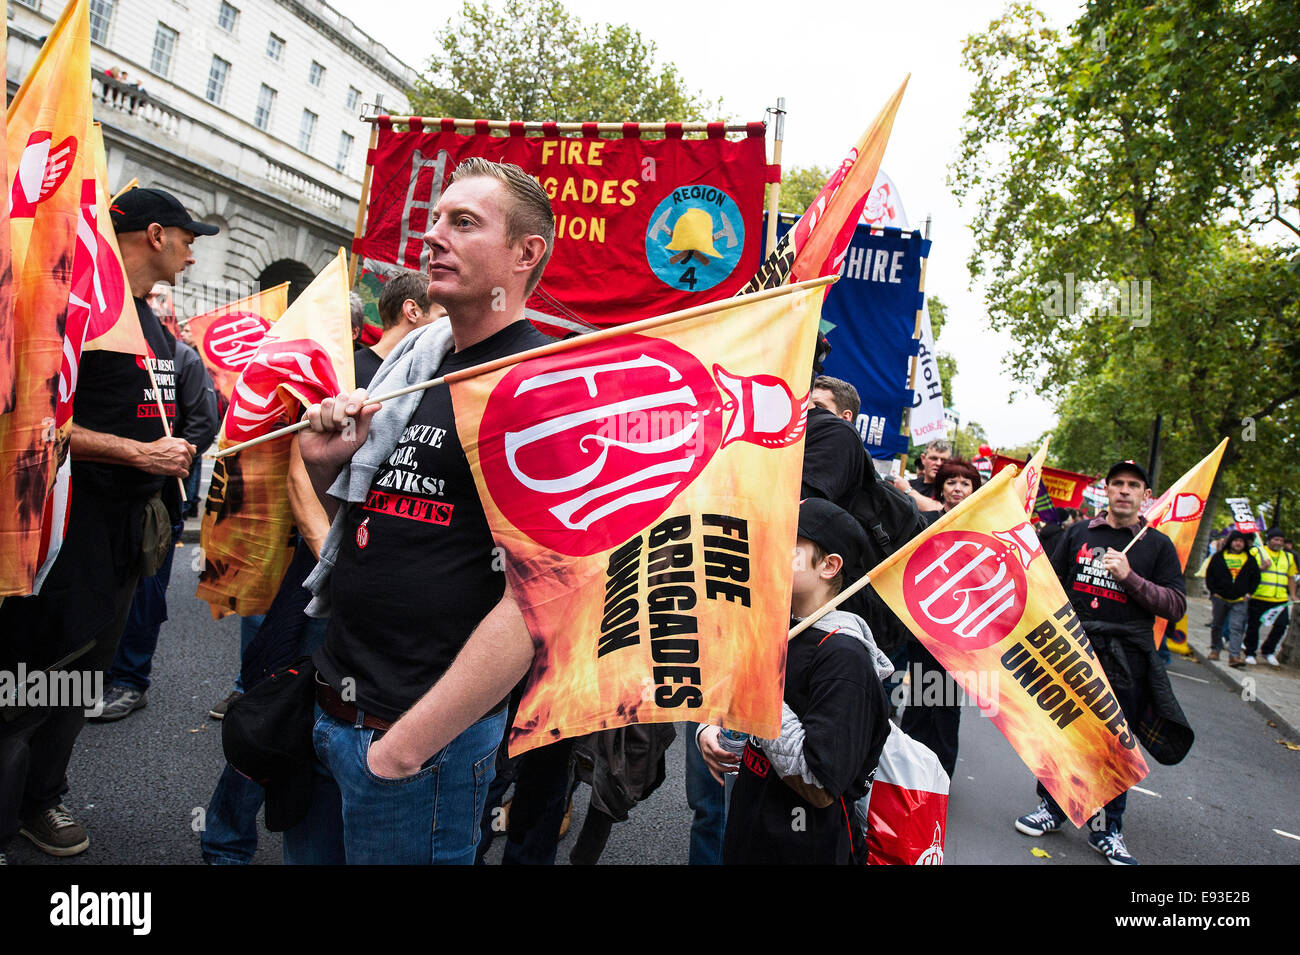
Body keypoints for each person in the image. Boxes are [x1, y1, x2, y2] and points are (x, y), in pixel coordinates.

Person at [284, 158, 554, 864]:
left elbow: (541, 598)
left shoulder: (540, 387)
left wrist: (404, 749)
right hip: (334, 708)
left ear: (526, 254)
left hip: (417, 747)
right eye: (435, 219)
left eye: (463, 223)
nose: (434, 236)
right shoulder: (420, 363)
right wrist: (323, 459)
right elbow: (372, 518)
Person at [0, 188, 214, 859]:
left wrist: (175, 443)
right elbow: (38, 423)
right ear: (155, 234)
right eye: (187, 235)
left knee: (84, 673)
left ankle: (42, 797)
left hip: (129, 536)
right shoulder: (80, 309)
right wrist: (136, 451)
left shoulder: (152, 324)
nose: (193, 248)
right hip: (68, 531)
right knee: (32, 676)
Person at [1014, 460, 1188, 866]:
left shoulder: (1157, 545)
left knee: (1114, 744)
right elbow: (1048, 584)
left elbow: (1176, 606)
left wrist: (1130, 577)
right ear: (1106, 491)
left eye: (1134, 486)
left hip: (1127, 659)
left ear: (1147, 496)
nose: (1124, 491)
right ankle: (1052, 808)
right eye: (1118, 484)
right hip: (1075, 649)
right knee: (1065, 733)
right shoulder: (1078, 534)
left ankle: (1109, 829)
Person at [706, 498, 891, 864]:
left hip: (803, 849)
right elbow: (740, 704)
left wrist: (760, 694)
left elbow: (820, 783)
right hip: (751, 835)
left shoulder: (844, 658)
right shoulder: (779, 629)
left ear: (829, 565)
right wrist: (710, 730)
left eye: (790, 544)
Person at [94, 290, 221, 721]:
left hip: (161, 498)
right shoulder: (117, 353)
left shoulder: (182, 358)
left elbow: (203, 423)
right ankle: (100, 674)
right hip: (119, 496)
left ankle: (130, 680)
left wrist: (168, 458)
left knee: (146, 591)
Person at [900, 458, 982, 776]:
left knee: (947, 707)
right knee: (919, 703)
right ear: (941, 488)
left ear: (974, 489)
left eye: (965, 483)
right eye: (951, 482)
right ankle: (906, 774)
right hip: (923, 629)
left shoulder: (981, 529)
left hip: (960, 635)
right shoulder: (925, 523)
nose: (958, 489)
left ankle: (942, 778)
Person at [352, 269, 445, 387]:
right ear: (412, 311)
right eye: (443, 317)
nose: (448, 326)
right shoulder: (347, 372)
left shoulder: (429, 378)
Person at [1204, 530, 1260, 665]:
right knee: (1217, 625)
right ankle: (1215, 650)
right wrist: (1214, 592)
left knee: (1237, 627)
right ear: (1231, 542)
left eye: (1241, 541)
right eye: (1236, 541)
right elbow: (1210, 575)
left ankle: (1234, 656)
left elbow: (1255, 578)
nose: (1238, 544)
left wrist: (1249, 594)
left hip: (1240, 600)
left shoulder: (1250, 560)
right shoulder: (1218, 557)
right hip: (1220, 598)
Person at [1245, 528, 1296, 666]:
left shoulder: (1288, 557)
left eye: (1281, 540)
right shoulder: (1257, 552)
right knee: (1254, 626)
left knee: (1282, 624)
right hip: (1259, 596)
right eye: (1276, 539)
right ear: (1269, 540)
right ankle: (1250, 652)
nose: (1279, 542)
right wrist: (1260, 568)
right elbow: (1247, 571)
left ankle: (1268, 651)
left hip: (1280, 599)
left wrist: (1293, 595)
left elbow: (1290, 577)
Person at [892, 438, 949, 513]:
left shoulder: (951, 488)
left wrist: (907, 490)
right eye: (933, 458)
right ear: (923, 459)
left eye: (943, 460)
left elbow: (942, 510)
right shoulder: (909, 484)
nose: (938, 463)